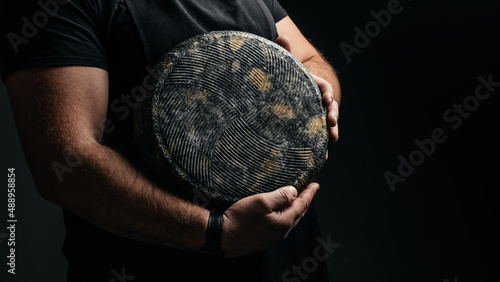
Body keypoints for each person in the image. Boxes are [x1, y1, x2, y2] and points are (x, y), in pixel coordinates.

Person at [1, 0, 340, 281]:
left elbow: (311, 62)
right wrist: (214, 233)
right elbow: (65, 163)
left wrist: (311, 88)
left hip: (291, 259)